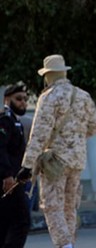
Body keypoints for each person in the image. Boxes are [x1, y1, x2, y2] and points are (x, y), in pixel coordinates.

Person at [16, 55, 96, 248]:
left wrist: (27, 165)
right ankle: (69, 243)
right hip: (78, 160)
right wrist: (76, 137)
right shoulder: (83, 95)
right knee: (69, 207)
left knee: (52, 206)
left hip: (55, 161)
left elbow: (39, 134)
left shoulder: (48, 97)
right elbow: (95, 127)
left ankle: (65, 245)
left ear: (49, 75)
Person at [1, 82, 30, 248]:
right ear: (7, 100)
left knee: (5, 224)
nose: (23, 102)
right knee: (22, 221)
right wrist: (6, 175)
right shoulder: (5, 120)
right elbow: (0, 149)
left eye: (25, 99)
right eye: (18, 99)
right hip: (8, 181)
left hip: (14, 180)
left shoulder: (15, 122)